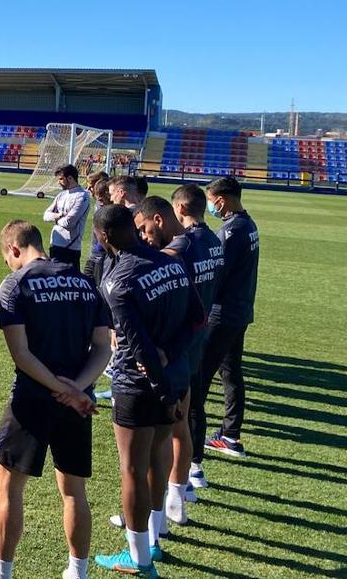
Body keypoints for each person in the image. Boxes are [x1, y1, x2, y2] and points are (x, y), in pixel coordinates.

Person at [0, 220, 111, 579]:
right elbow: (103, 347)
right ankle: (78, 572)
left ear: (14, 249)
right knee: (74, 491)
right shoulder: (87, 284)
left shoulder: (16, 284)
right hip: (78, 403)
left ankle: (1, 574)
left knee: (8, 488)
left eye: (6, 258)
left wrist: (61, 388)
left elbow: (22, 355)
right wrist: (76, 389)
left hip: (30, 400)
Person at [92, 204, 200, 577]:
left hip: (139, 388)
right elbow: (197, 319)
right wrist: (171, 357)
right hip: (179, 373)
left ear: (103, 237)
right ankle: (153, 539)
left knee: (133, 470)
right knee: (157, 458)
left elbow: (139, 348)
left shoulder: (117, 280)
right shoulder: (172, 261)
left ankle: (138, 559)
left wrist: (165, 390)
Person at [129, 193, 220, 529]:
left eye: (144, 228)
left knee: (159, 437)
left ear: (160, 219)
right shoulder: (210, 240)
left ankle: (151, 516)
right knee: (180, 426)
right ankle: (175, 500)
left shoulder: (175, 254)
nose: (142, 236)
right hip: (194, 347)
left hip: (172, 352)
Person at [198, 176, 259, 463]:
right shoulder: (249, 224)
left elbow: (216, 276)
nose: (211, 206)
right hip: (240, 311)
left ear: (220, 199)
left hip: (222, 314)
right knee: (231, 372)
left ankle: (192, 445)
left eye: (211, 201)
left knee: (201, 376)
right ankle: (231, 434)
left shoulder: (232, 232)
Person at [42, 164, 90, 269]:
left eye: (61, 179)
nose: (58, 182)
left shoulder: (82, 196)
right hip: (55, 244)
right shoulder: (61, 195)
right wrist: (59, 216)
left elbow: (69, 223)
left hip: (70, 247)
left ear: (70, 178)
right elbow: (45, 215)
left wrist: (55, 219)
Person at [82, 172, 113, 285]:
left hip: (101, 255)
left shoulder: (107, 204)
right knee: (86, 284)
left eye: (91, 185)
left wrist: (101, 248)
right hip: (94, 254)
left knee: (97, 288)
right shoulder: (98, 203)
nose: (88, 188)